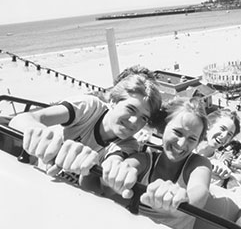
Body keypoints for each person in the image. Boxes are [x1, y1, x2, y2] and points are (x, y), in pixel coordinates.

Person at [8, 67, 162, 177]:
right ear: (114, 101)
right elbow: (23, 119)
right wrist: (42, 136)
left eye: (144, 118)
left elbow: (114, 162)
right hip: (30, 171)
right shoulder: (89, 108)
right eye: (131, 109)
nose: (135, 122)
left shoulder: (128, 144)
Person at [88, 97, 212, 229]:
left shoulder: (199, 164)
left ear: (198, 143)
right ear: (163, 128)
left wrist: (181, 199)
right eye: (177, 132)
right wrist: (117, 175)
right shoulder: (144, 158)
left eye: (192, 139)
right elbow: (128, 167)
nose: (182, 144)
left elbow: (199, 192)